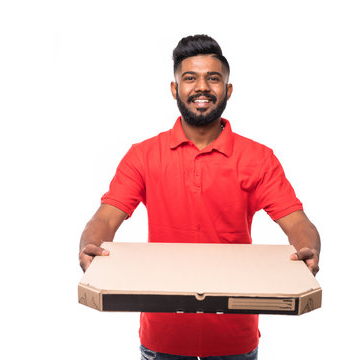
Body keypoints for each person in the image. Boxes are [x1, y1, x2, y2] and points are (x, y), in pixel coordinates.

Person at [79, 34, 320, 360]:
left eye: (213, 78)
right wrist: (90, 245)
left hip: (235, 340)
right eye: (190, 78)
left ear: (228, 90)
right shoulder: (143, 156)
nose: (202, 87)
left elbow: (296, 221)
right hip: (162, 338)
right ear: (175, 89)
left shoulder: (258, 158)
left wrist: (309, 249)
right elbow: (107, 217)